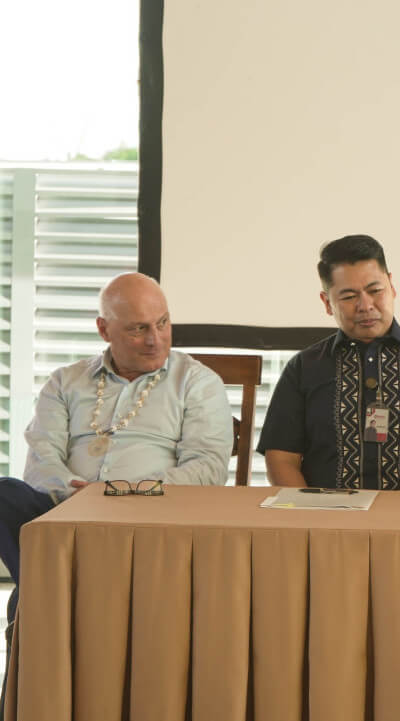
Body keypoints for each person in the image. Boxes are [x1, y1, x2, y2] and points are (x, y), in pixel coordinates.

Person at [0, 272, 233, 680]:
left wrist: (122, 496)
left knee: (35, 591)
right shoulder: (65, 382)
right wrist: (82, 499)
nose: (155, 339)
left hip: (153, 524)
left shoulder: (197, 382)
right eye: (138, 329)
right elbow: (41, 460)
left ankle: (48, 586)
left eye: (162, 323)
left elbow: (206, 468)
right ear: (103, 329)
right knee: (4, 493)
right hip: (66, 517)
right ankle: (57, 579)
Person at [257, 235, 400, 491]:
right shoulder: (303, 367)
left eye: (375, 291)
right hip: (324, 519)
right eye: (349, 296)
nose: (365, 306)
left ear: (392, 287)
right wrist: (310, 513)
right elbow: (281, 457)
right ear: (327, 302)